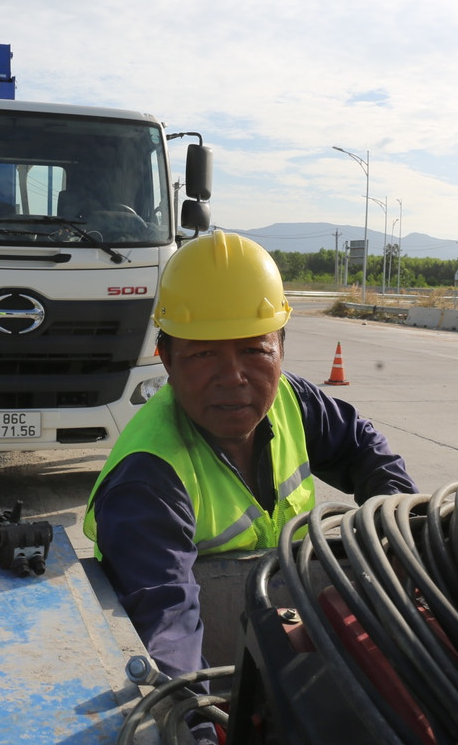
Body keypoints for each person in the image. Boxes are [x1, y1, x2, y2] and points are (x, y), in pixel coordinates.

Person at [83, 230, 417, 688]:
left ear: (281, 348)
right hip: (218, 663)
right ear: (166, 358)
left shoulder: (292, 399)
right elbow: (166, 630)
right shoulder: (147, 480)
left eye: (253, 350)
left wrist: (401, 534)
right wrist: (197, 733)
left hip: (283, 625)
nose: (233, 377)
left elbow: (365, 450)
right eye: (203, 354)